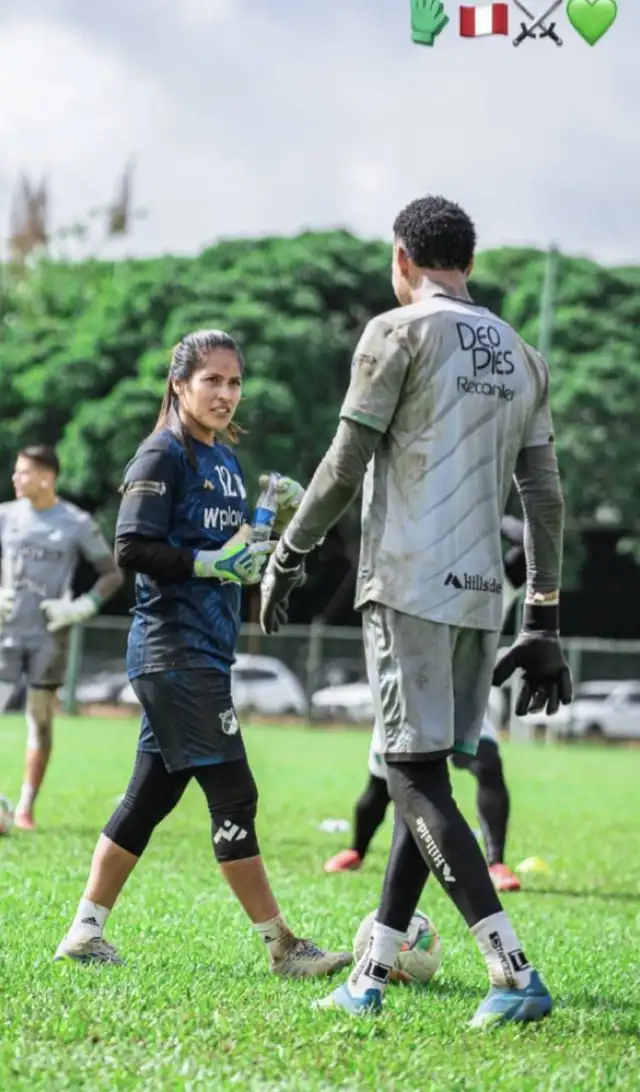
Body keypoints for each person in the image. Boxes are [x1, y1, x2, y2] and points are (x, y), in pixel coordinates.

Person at [259, 196, 572, 1026]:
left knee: (411, 776)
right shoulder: (525, 355)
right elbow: (544, 496)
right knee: (423, 774)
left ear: (402, 258)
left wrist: (289, 553)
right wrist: (542, 616)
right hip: (484, 598)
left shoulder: (395, 332)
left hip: (407, 583)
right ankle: (369, 976)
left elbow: (344, 461)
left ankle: (513, 972)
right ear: (468, 262)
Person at [54, 328, 352, 982]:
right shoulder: (162, 455)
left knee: (150, 795)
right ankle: (283, 946)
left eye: (234, 381)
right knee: (235, 793)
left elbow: (236, 554)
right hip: (174, 649)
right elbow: (131, 547)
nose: (225, 393)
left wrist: (274, 525)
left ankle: (84, 931)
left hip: (204, 650)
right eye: (211, 380)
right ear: (179, 384)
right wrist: (206, 563)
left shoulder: (224, 460)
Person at [323, 517, 526, 894]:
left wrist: (489, 515)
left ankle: (496, 863)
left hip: (463, 700)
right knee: (380, 788)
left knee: (489, 765)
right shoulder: (421, 576)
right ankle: (356, 850)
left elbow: (528, 541)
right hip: (408, 698)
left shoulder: (493, 582)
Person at [0, 445, 123, 830]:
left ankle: (25, 806)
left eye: (23, 472)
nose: (16, 478)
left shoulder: (76, 522)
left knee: (39, 717)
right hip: (4, 632)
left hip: (49, 636)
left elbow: (112, 574)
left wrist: (82, 607)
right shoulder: (5, 516)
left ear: (46, 478)